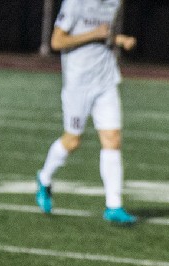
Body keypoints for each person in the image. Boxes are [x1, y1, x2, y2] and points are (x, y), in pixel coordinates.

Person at [34, 0, 138, 225]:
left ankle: (114, 205)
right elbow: (57, 41)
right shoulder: (75, 3)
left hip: (106, 79)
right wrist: (93, 34)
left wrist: (118, 40)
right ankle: (44, 178)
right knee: (72, 141)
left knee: (112, 139)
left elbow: (103, 35)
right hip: (78, 83)